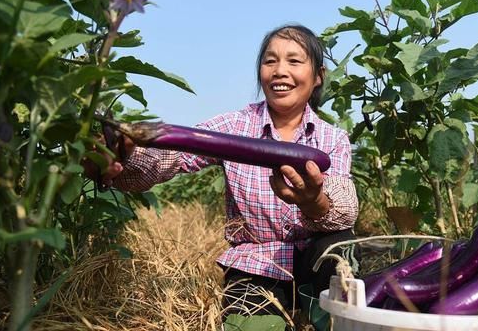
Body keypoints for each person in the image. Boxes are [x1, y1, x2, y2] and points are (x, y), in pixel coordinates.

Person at [95, 24, 359, 320]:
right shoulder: (234, 128)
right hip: (256, 265)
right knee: (247, 326)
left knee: (339, 245)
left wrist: (315, 202)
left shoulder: (332, 138)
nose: (279, 70)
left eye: (294, 61)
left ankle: (327, 317)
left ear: (318, 76)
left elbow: (346, 209)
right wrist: (125, 156)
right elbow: (172, 158)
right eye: (270, 61)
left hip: (315, 261)